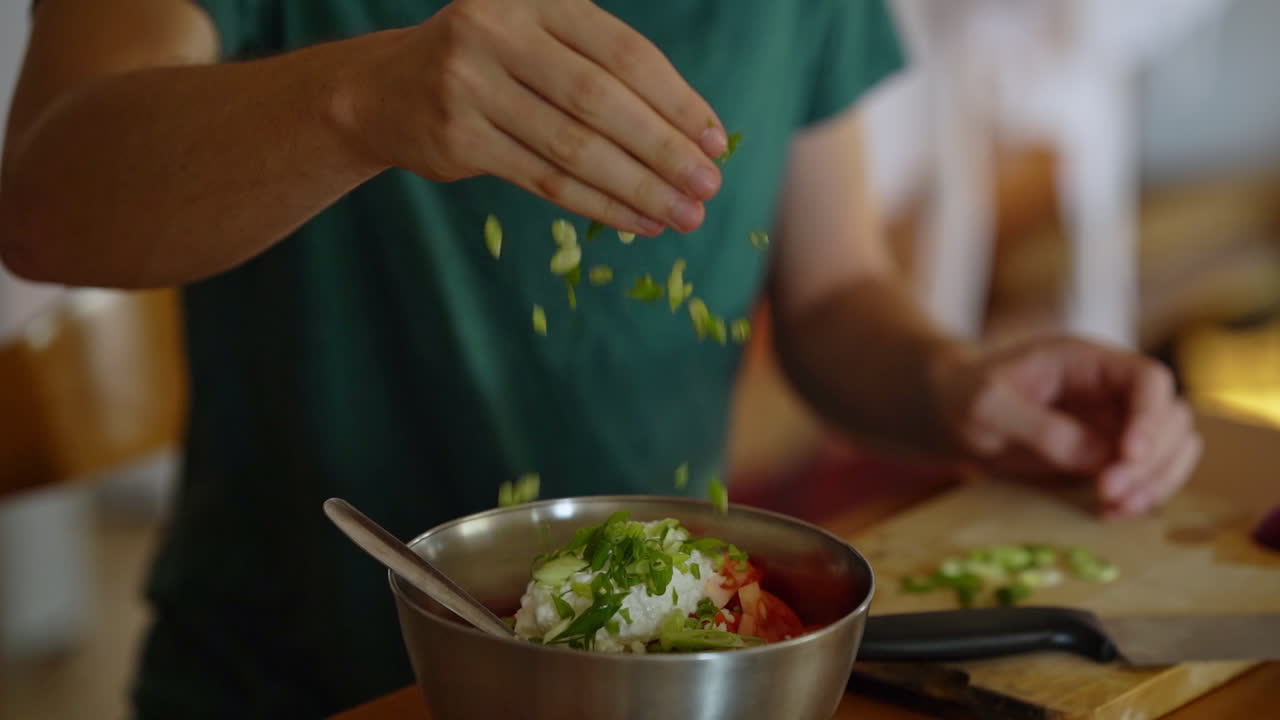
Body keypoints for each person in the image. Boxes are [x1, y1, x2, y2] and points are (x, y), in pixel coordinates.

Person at [0, 0, 1200, 717]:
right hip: (309, 680)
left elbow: (831, 290)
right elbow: (49, 199)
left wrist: (953, 382)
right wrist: (364, 99)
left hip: (680, 677)